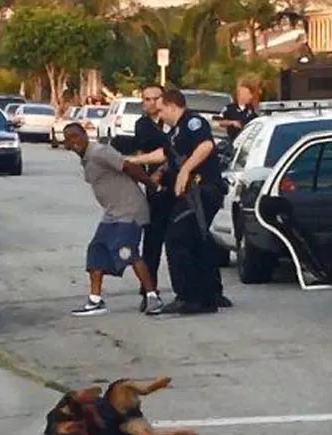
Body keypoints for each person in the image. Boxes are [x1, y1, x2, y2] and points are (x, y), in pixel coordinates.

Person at [129, 89, 231, 314]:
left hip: (202, 191)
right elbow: (163, 154)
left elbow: (206, 146)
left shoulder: (193, 122)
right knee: (195, 242)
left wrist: (185, 170)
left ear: (172, 106)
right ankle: (204, 298)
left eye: (162, 109)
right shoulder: (175, 131)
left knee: (177, 238)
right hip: (191, 194)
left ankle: (188, 296)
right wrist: (130, 161)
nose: (160, 114)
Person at [61, 123, 165, 317]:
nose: (73, 142)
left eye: (76, 136)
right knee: (96, 250)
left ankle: (153, 297)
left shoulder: (100, 151)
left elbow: (128, 167)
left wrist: (152, 185)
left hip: (129, 210)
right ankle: (95, 300)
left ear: (84, 135)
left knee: (126, 251)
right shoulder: (86, 158)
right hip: (112, 213)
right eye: (69, 139)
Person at [133, 83, 176, 313]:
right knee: (151, 242)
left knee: (184, 239)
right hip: (155, 190)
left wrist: (163, 169)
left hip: (178, 185)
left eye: (154, 98)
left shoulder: (174, 121)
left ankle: (199, 290)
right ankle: (149, 291)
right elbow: (144, 154)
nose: (150, 103)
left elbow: (177, 151)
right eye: (146, 99)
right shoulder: (142, 126)